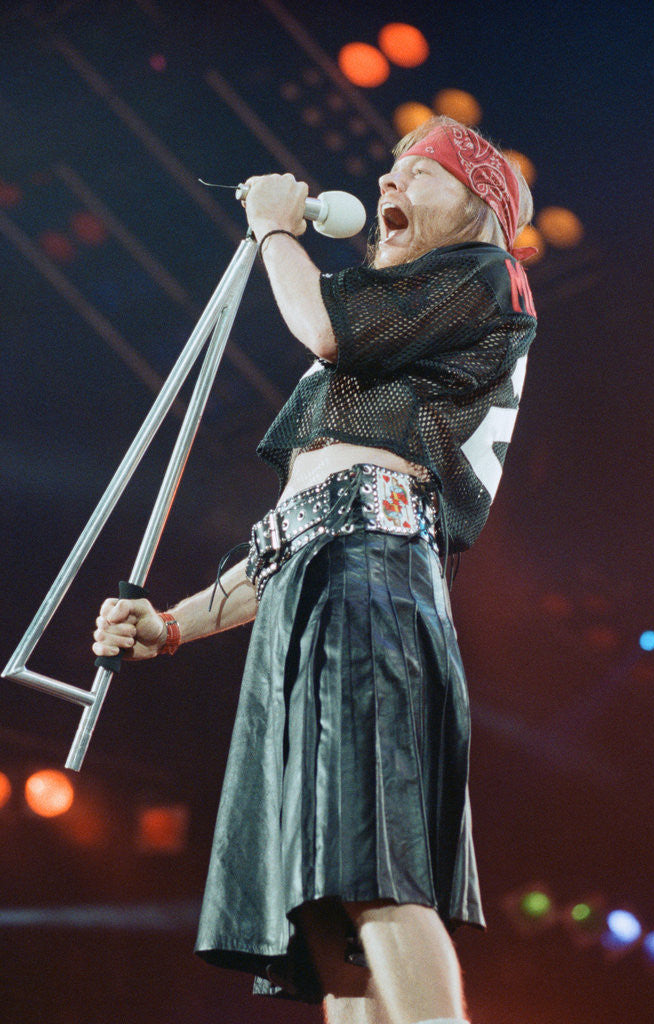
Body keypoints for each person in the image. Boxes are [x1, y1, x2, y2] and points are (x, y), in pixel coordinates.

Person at [92, 116, 538, 1024]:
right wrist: (172, 622)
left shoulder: (484, 280)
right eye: (389, 168)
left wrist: (275, 232)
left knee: (373, 875)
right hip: (325, 580)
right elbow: (298, 527)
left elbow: (324, 326)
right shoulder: (377, 368)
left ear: (481, 207)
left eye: (420, 171)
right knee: (331, 915)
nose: (390, 182)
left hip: (371, 584)